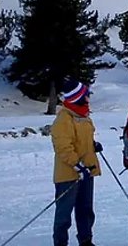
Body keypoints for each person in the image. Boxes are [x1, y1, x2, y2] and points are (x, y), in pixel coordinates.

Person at [52, 78, 100, 246]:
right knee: (64, 214)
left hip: (86, 171)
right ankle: (60, 242)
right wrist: (77, 166)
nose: (89, 98)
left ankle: (86, 240)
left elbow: (82, 139)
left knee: (85, 210)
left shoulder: (83, 114)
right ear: (78, 97)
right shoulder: (64, 119)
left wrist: (93, 145)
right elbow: (63, 147)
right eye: (86, 95)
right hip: (69, 174)